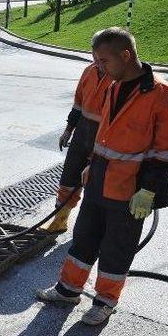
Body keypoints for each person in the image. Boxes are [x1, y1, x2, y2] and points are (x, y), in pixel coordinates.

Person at [37, 27, 168, 325]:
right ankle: (68, 289)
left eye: (103, 61)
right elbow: (105, 135)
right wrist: (93, 163)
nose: (99, 68)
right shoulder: (114, 86)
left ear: (126, 55)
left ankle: (105, 301)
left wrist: (148, 190)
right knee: (84, 236)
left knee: (117, 246)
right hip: (99, 178)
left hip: (131, 189)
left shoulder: (162, 96)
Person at [42, 30, 113, 233]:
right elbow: (78, 106)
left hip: (105, 136)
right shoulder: (88, 72)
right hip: (83, 131)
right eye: (95, 56)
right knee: (69, 176)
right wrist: (68, 131)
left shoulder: (118, 78)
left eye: (103, 58)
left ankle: (93, 227)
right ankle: (60, 220)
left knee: (95, 182)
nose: (98, 62)